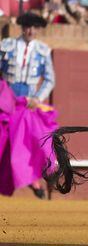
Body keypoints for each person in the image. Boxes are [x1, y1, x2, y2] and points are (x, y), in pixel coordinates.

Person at [0, 12, 55, 198]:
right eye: (27, 27)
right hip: (6, 103)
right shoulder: (6, 46)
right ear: (22, 27)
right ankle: (32, 182)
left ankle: (33, 179)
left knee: (29, 144)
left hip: (27, 105)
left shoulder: (43, 51)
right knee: (4, 144)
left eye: (33, 27)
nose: (30, 30)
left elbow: (49, 80)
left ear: (38, 29)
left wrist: (38, 99)